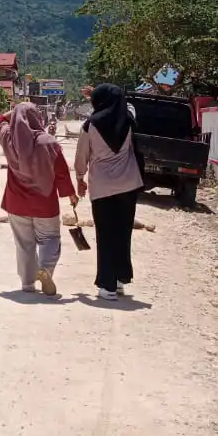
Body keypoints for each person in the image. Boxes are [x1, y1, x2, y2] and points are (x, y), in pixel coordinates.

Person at [0, 102, 78, 296]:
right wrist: (70, 193)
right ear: (37, 118)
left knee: (24, 243)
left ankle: (27, 283)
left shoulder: (8, 138)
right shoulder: (49, 142)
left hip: (16, 202)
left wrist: (14, 111)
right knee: (50, 239)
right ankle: (45, 270)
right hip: (45, 202)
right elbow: (61, 173)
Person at [75, 83, 144, 301]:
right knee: (123, 233)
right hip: (128, 185)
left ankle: (107, 286)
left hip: (102, 187)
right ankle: (121, 279)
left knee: (105, 235)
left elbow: (81, 156)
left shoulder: (90, 125)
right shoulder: (129, 120)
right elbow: (128, 105)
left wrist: (80, 178)